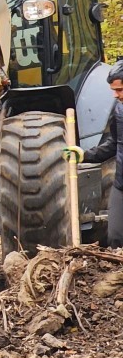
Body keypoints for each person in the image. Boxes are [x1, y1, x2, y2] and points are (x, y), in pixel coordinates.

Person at [66, 60, 123, 248]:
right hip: (121, 185)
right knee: (116, 238)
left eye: (120, 90)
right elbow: (113, 144)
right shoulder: (119, 111)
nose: (116, 95)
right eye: (114, 90)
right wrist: (84, 155)